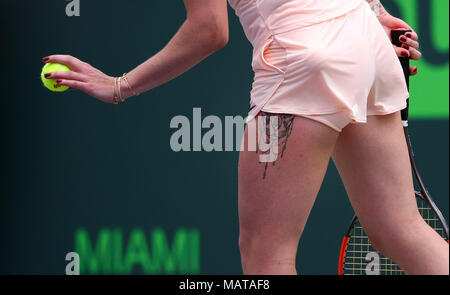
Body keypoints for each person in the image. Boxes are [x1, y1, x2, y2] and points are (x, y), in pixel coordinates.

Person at [42, 0, 449, 275]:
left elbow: (209, 30)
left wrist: (119, 86)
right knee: (402, 227)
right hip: (369, 41)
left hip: (301, 57)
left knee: (265, 254)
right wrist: (375, 10)